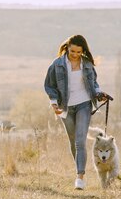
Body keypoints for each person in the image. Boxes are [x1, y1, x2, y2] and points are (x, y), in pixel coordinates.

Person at [44, 35, 111, 190]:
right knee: (73, 140)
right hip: (65, 107)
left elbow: (94, 83)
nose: (74, 54)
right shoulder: (57, 64)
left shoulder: (87, 64)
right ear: (67, 47)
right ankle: (79, 169)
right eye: (72, 51)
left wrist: (99, 93)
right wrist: (54, 103)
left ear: (83, 51)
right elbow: (49, 85)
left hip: (84, 105)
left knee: (80, 141)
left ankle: (80, 177)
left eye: (78, 52)